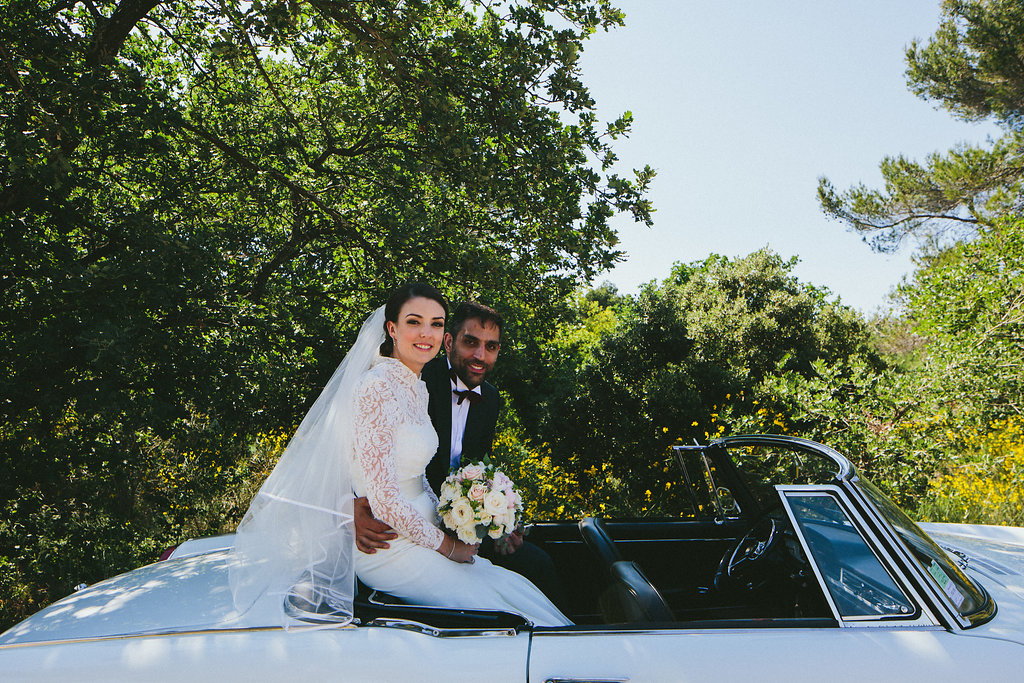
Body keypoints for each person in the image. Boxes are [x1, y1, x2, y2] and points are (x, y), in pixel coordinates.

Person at [231, 283, 569, 627]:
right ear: (392, 329)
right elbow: (382, 497)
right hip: (387, 543)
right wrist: (447, 547)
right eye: (414, 322)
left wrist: (467, 523)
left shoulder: (415, 386)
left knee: (513, 587)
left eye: (436, 324)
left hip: (425, 528)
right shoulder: (376, 386)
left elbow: (421, 476)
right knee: (502, 611)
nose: (426, 333)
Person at [356, 301, 565, 607]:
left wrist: (499, 523)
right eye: (470, 342)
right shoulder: (416, 379)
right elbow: (355, 447)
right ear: (449, 342)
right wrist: (348, 507)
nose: (480, 355)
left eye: (491, 347)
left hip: (461, 526)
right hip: (404, 527)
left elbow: (477, 468)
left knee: (539, 565)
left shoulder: (490, 399)